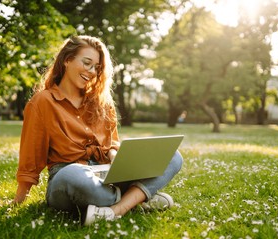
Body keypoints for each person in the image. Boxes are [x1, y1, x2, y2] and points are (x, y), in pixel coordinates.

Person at [13, 35, 183, 225]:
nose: (92, 71)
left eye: (97, 67)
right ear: (67, 60)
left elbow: (111, 143)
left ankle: (116, 209)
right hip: (68, 177)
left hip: (108, 174)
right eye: (87, 63)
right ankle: (138, 199)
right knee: (74, 175)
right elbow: (31, 156)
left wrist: (113, 155)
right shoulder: (43, 101)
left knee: (173, 156)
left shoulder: (102, 102)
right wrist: (19, 199)